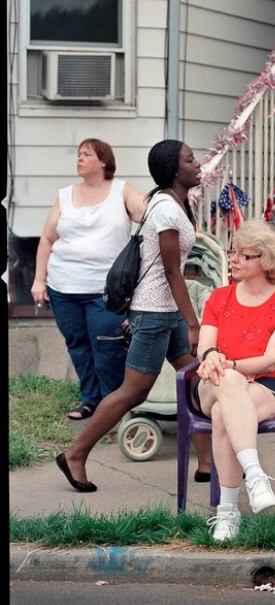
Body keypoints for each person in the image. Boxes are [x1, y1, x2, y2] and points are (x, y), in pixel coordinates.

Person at [55, 140, 210, 492]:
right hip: (156, 314)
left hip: (163, 311)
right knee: (133, 392)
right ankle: (75, 454)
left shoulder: (171, 203)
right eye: (190, 159)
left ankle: (207, 463)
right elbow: (172, 273)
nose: (197, 163)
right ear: (174, 170)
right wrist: (193, 323)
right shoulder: (167, 210)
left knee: (198, 379)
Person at [190, 219, 275, 542]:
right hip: (213, 382)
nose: (234, 259)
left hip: (270, 385)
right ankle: (254, 474)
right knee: (228, 383)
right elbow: (205, 346)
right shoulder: (219, 298)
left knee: (222, 413)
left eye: (244, 255)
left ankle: (227, 513)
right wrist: (212, 357)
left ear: (266, 260)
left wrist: (231, 365)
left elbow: (272, 359)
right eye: (233, 252)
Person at [31, 139, 146, 420]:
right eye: (78, 154)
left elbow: (151, 214)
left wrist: (178, 218)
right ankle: (90, 400)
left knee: (107, 344)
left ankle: (113, 406)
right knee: (78, 345)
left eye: (86, 154)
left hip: (105, 290)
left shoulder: (121, 190)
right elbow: (47, 239)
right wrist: (39, 280)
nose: (79, 158)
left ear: (103, 161)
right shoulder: (66, 195)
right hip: (63, 286)